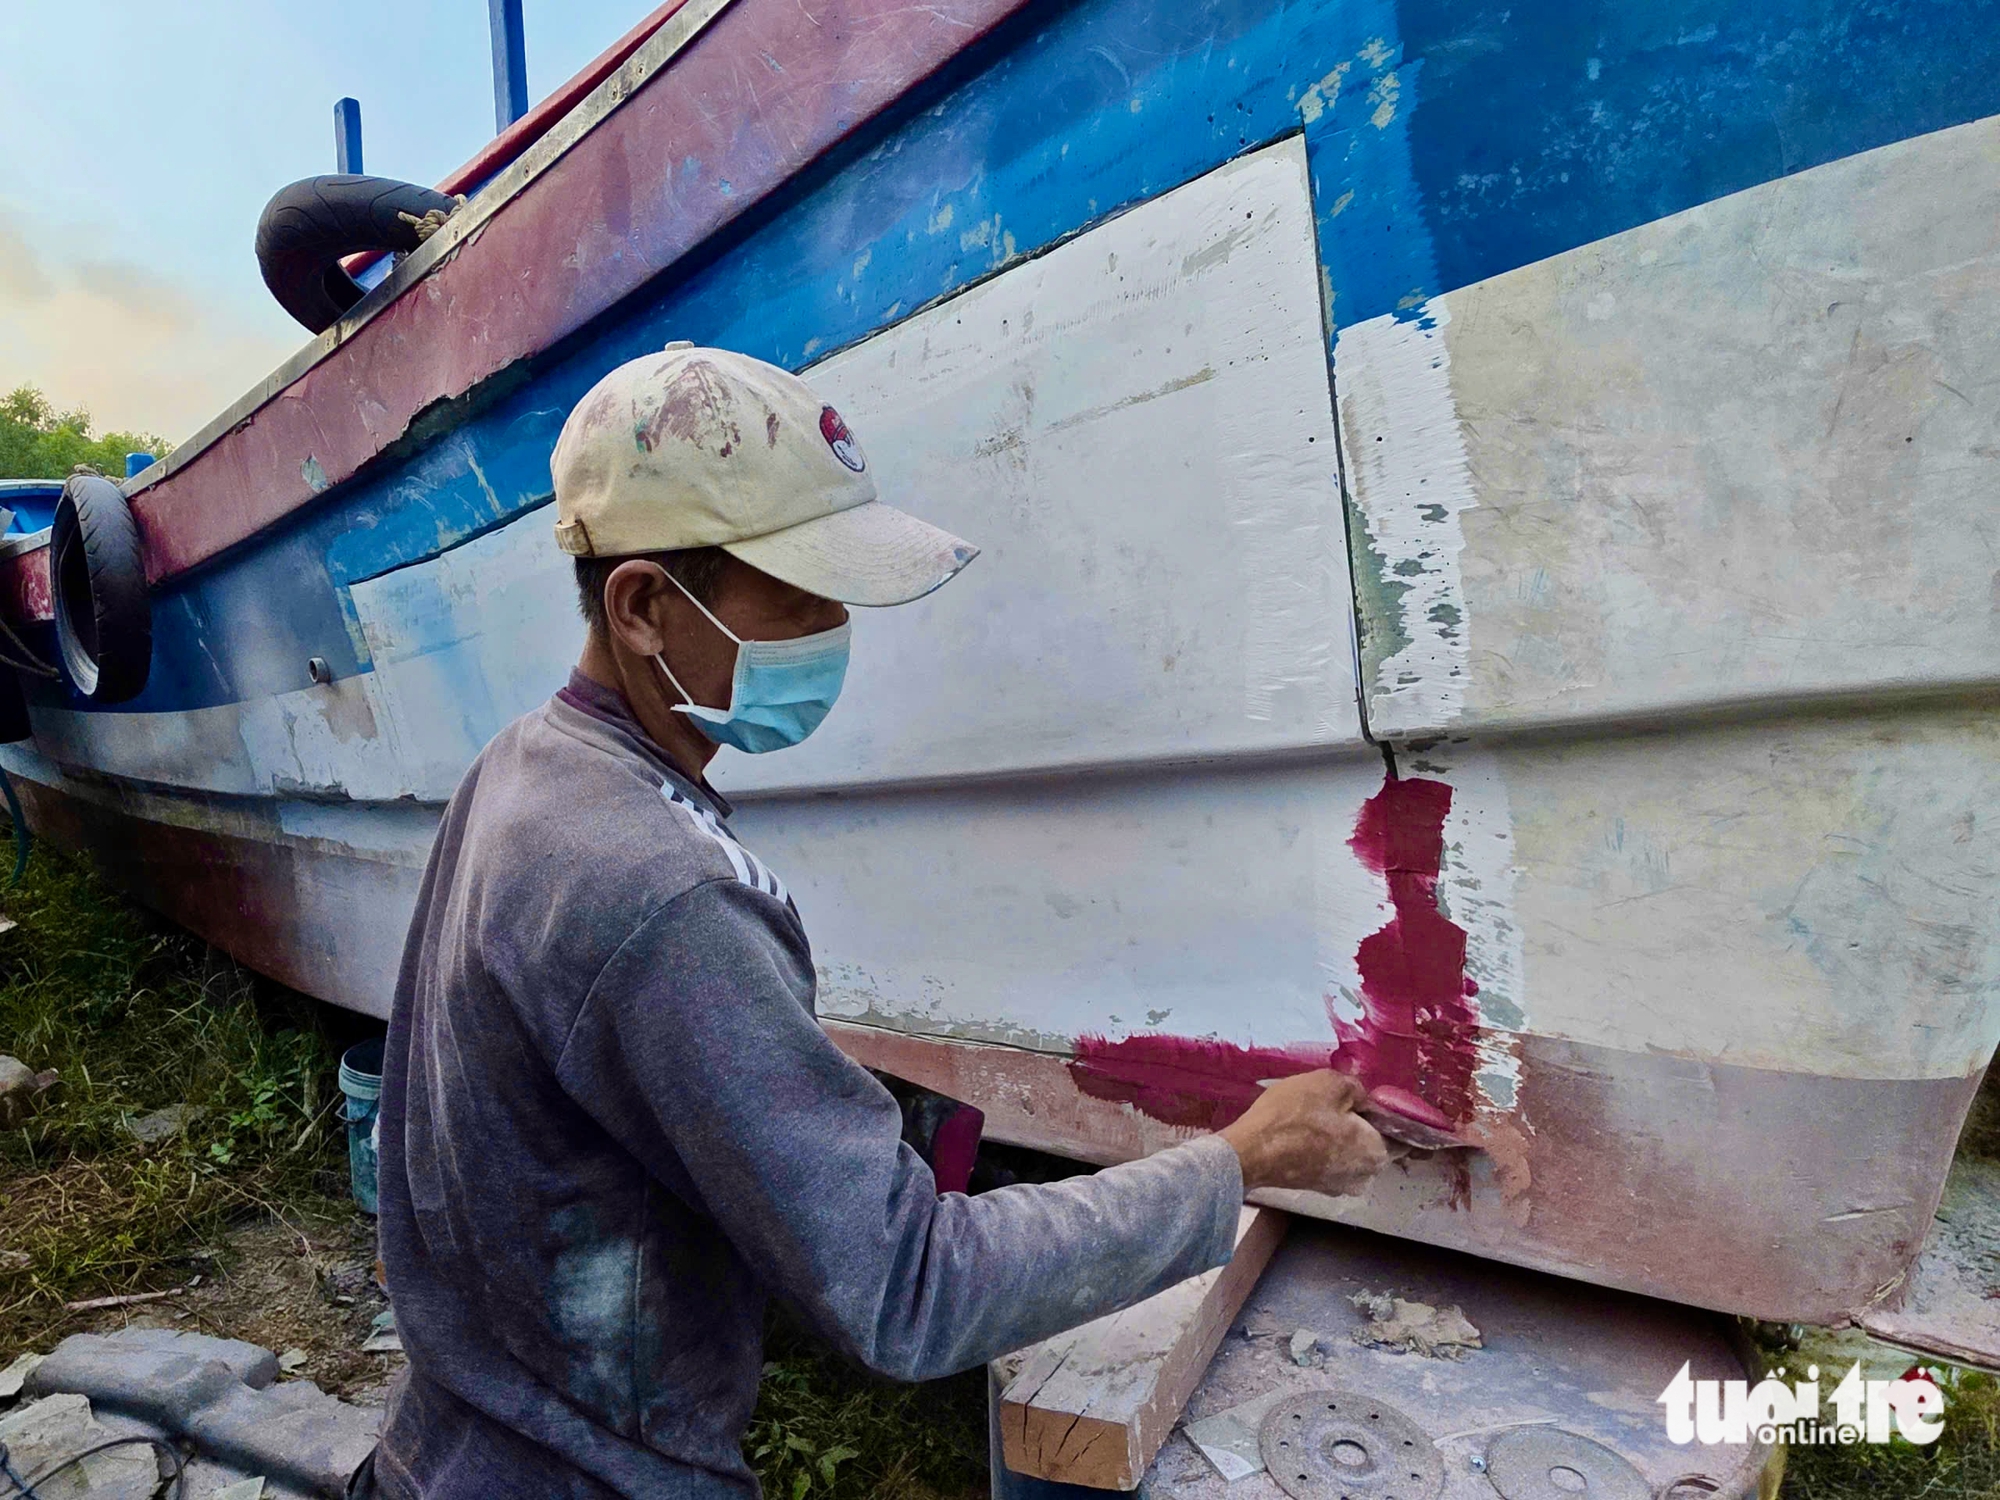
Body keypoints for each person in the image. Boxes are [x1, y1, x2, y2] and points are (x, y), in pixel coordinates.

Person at [359, 343, 1389, 1498]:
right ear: (644, 605)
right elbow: (906, 1294)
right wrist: (1237, 1163)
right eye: (800, 594)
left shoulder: (524, 770)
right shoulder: (665, 888)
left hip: (449, 1449)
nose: (834, 628)